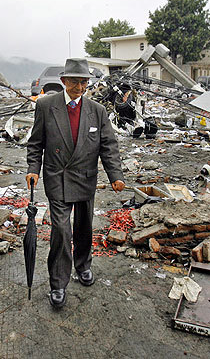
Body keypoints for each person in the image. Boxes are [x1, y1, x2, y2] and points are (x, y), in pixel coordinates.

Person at [26, 58, 125, 308]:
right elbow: (36, 143)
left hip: (85, 177)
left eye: (84, 82)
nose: (79, 87)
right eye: (74, 82)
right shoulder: (47, 106)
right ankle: (58, 282)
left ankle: (83, 265)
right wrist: (32, 169)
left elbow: (108, 146)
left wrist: (116, 176)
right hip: (57, 176)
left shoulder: (97, 111)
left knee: (84, 226)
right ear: (63, 81)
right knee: (61, 229)